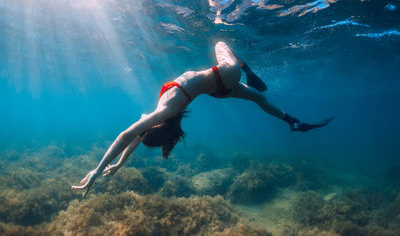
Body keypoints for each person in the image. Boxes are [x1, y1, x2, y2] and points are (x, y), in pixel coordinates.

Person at [72, 41, 334, 198]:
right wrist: (98, 169)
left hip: (216, 91)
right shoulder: (164, 112)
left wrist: (118, 165)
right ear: (156, 127)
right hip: (225, 76)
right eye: (146, 127)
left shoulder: (164, 115)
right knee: (220, 42)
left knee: (259, 100)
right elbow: (126, 135)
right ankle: (248, 69)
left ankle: (292, 121)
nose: (143, 123)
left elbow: (134, 137)